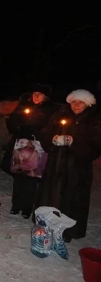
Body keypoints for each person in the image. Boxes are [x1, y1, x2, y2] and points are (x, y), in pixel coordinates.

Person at [34, 89, 101, 242]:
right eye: (74, 102)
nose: (76, 105)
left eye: (81, 102)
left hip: (77, 168)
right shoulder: (59, 116)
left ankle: (67, 231)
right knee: (52, 195)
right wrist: (52, 139)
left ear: (88, 104)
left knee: (72, 199)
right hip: (56, 165)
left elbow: (96, 147)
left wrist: (74, 143)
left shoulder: (93, 121)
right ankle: (47, 225)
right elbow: (44, 133)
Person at [6, 84, 60, 218]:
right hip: (21, 144)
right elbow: (12, 122)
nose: (36, 96)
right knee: (19, 177)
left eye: (39, 94)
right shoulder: (24, 106)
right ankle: (16, 205)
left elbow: (53, 127)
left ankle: (26, 208)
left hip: (37, 146)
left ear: (45, 97)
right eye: (34, 93)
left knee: (31, 178)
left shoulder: (51, 109)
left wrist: (39, 131)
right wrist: (19, 128)